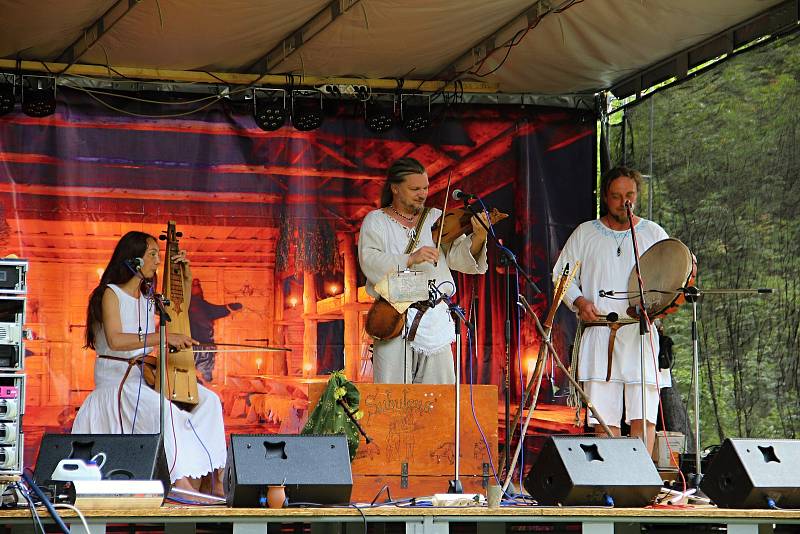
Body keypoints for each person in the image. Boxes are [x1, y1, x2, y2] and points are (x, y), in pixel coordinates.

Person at [72, 231, 227, 496]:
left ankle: (213, 479)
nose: (158, 261)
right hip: (118, 386)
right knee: (169, 414)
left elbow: (177, 313)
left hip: (144, 380)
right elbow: (117, 340)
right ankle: (180, 483)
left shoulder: (147, 299)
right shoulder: (110, 293)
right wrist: (164, 336)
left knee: (209, 402)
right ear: (134, 260)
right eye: (153, 254)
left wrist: (185, 278)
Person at [553, 166, 670, 453]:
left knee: (643, 415)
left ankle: (640, 482)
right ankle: (614, 483)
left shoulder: (653, 233)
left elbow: (671, 278)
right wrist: (580, 302)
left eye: (629, 195)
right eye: (617, 196)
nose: (624, 202)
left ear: (637, 195)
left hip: (640, 334)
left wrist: (658, 305)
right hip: (600, 334)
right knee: (604, 419)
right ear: (606, 197)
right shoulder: (585, 234)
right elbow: (561, 276)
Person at [358, 157, 489, 384]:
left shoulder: (436, 217)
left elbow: (458, 257)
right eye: (414, 188)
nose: (422, 194)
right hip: (395, 315)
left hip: (434, 314)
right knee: (394, 394)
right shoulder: (376, 220)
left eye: (425, 188)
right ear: (395, 188)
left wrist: (478, 237)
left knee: (439, 397)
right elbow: (369, 260)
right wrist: (410, 258)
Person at [189, 278, 242, 382]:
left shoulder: (205, 306)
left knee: (205, 375)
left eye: (197, 287)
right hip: (192, 346)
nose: (197, 290)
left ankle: (205, 383)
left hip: (204, 347)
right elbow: (222, 310)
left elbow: (222, 310)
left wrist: (232, 307)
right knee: (197, 373)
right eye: (194, 287)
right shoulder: (185, 308)